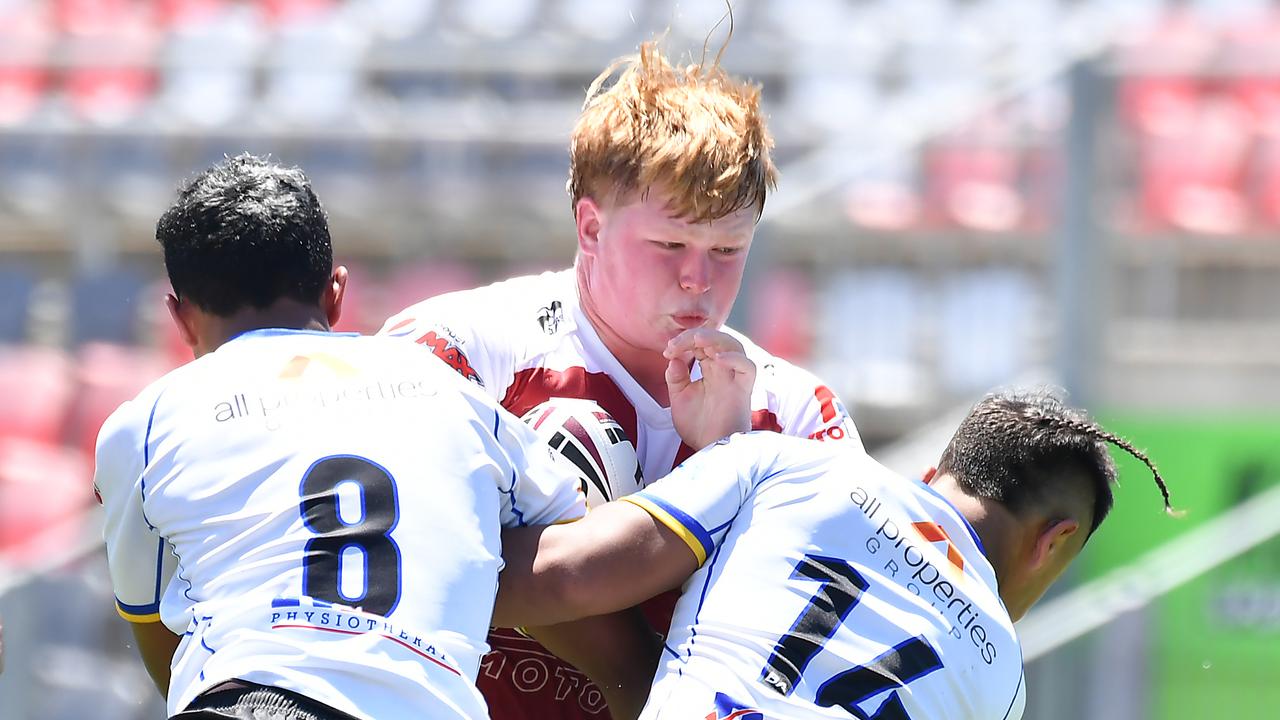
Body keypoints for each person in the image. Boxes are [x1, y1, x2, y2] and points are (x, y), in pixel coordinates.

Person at [379, 40, 862, 720]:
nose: (699, 278)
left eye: (728, 250)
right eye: (670, 245)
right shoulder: (459, 352)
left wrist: (725, 458)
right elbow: (368, 566)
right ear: (590, 227)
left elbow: (810, 662)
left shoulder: (798, 414)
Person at [93, 154, 627, 720]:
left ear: (179, 318)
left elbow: (154, 631)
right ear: (337, 293)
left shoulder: (142, 423)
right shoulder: (447, 389)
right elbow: (574, 541)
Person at [495, 388, 1177, 719]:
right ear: (1055, 542)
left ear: (936, 472)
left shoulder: (786, 464)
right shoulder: (1002, 678)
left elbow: (567, 576)